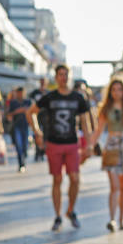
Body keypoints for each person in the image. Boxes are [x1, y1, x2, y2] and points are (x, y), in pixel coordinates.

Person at [27, 64, 93, 231]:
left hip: (72, 143)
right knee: (57, 179)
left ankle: (70, 210)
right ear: (56, 78)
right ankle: (57, 215)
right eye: (60, 75)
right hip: (54, 144)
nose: (63, 78)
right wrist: (37, 132)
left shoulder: (78, 98)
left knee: (75, 178)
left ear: (70, 77)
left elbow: (85, 122)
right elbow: (30, 112)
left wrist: (90, 143)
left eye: (66, 74)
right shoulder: (50, 97)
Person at [89, 76, 123, 232]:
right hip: (112, 146)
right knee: (114, 186)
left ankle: (122, 219)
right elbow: (98, 130)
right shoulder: (105, 107)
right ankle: (112, 219)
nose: (117, 92)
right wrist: (90, 145)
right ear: (110, 91)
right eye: (114, 89)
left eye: (120, 89)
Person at [7, 87, 31, 172]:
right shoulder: (13, 103)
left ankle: (23, 160)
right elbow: (9, 114)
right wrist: (18, 111)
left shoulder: (28, 102)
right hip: (17, 126)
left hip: (26, 126)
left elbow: (32, 112)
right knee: (18, 145)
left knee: (25, 145)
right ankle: (21, 163)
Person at [29, 78, 49, 161]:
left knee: (46, 134)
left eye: (44, 81)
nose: (43, 83)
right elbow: (31, 102)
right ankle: (38, 151)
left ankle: (43, 151)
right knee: (37, 133)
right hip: (37, 115)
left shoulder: (48, 93)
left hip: (46, 116)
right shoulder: (35, 92)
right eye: (41, 81)